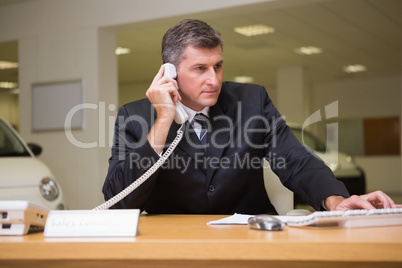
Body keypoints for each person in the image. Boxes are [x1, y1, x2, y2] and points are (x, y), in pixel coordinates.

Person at [103, 19, 400, 214]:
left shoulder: (252, 101)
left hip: (251, 234)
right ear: (170, 72)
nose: (214, 80)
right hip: (173, 242)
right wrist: (163, 120)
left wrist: (335, 200)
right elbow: (118, 201)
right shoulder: (134, 116)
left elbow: (296, 159)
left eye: (218, 66)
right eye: (200, 69)